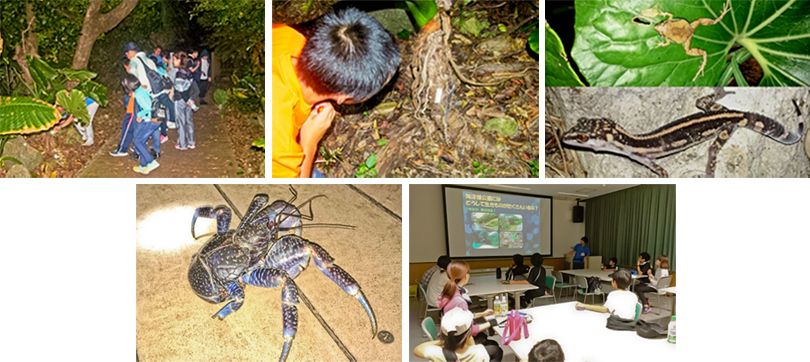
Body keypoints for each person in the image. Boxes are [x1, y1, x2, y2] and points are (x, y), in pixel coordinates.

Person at [272, 8, 400, 178]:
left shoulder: (286, 35)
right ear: (345, 97)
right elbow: (294, 188)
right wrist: (309, 142)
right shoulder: (279, 143)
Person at [438, 261, 502, 361]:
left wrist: (482, 313)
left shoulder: (450, 291)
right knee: (497, 350)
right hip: (460, 343)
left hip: (450, 338)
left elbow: (461, 318)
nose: (469, 275)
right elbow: (469, 330)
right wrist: (492, 323)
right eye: (468, 272)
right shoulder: (459, 301)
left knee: (492, 343)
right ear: (464, 276)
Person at [124, 41, 174, 142]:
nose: (127, 55)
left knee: (145, 113)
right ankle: (163, 134)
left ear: (130, 52)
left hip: (146, 92)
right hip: (157, 89)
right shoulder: (148, 59)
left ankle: (143, 139)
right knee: (159, 111)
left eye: (127, 53)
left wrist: (128, 70)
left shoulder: (134, 61)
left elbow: (133, 76)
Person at [413, 308, 490, 362]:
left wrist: (443, 341)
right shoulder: (480, 352)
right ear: (469, 333)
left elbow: (417, 350)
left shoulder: (437, 353)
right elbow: (472, 348)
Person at [132, 77, 160, 174]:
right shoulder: (142, 89)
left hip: (150, 120)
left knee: (137, 141)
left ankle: (151, 161)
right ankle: (143, 166)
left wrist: (140, 115)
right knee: (141, 141)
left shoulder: (138, 94)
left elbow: (148, 107)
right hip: (156, 118)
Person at [168, 52, 196, 150]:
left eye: (175, 59)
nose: (173, 61)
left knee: (181, 121)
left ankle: (182, 144)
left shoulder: (179, 73)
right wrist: (189, 99)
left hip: (180, 99)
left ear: (180, 60)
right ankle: (191, 142)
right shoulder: (188, 71)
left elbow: (180, 88)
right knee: (189, 120)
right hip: (189, 98)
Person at [110, 74, 140, 157]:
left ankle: (122, 149)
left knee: (126, 130)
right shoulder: (138, 92)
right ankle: (135, 147)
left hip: (132, 113)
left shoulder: (136, 95)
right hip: (133, 112)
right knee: (133, 130)